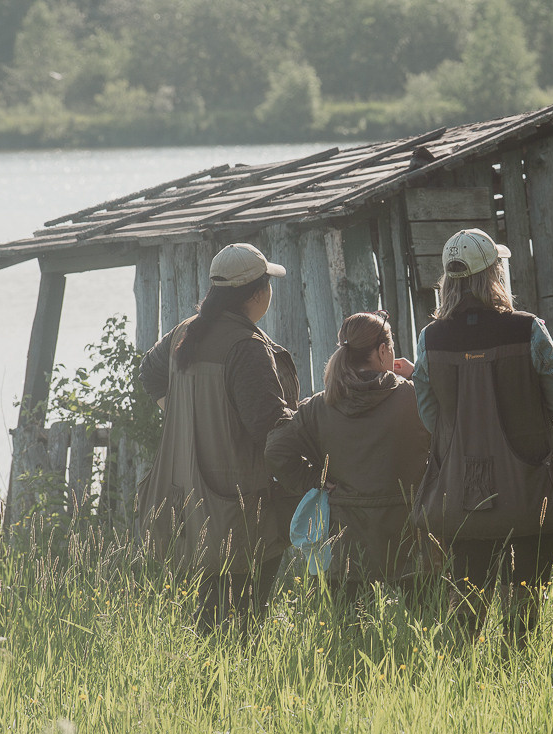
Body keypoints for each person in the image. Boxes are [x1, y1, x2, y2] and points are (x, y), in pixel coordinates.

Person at [411, 228, 553, 651]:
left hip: (462, 491)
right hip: (528, 487)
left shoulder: (429, 340)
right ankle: (516, 667)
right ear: (494, 275)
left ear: (448, 281)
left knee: (466, 592)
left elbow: (431, 419)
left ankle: (462, 678)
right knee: (525, 593)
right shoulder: (530, 330)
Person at [137, 242, 300, 634]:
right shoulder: (247, 347)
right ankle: (227, 687)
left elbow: (149, 372)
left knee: (209, 613)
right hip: (238, 506)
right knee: (240, 620)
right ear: (258, 293)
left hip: (186, 499)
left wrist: (178, 411)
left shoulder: (184, 332)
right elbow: (269, 429)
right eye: (269, 285)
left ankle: (206, 687)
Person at [265, 310, 431, 602]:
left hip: (345, 543)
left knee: (349, 638)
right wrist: (417, 376)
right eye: (390, 347)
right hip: (409, 538)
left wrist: (314, 479)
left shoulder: (320, 405)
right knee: (426, 631)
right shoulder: (413, 398)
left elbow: (276, 451)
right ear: (382, 351)